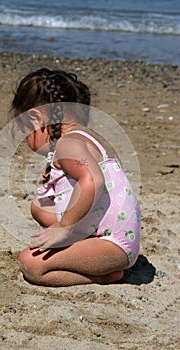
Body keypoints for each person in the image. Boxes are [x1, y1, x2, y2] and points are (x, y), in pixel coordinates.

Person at [10, 68, 141, 287]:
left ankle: (103, 276)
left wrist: (65, 227)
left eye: (24, 132)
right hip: (110, 237)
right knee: (39, 206)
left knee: (30, 263)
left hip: (112, 246)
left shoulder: (67, 144)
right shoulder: (83, 138)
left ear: (35, 117)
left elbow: (93, 180)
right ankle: (87, 254)